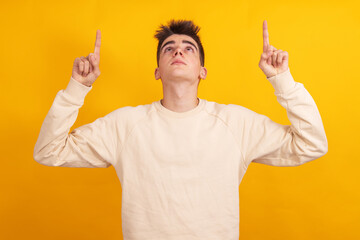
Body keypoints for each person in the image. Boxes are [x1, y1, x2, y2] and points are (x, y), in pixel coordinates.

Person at [33, 19, 328, 239]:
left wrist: (282, 80)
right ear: (158, 71)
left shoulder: (235, 123)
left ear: (202, 71)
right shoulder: (125, 125)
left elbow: (312, 144)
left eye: (188, 48)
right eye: (169, 48)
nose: (178, 52)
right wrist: (78, 87)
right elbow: (48, 151)